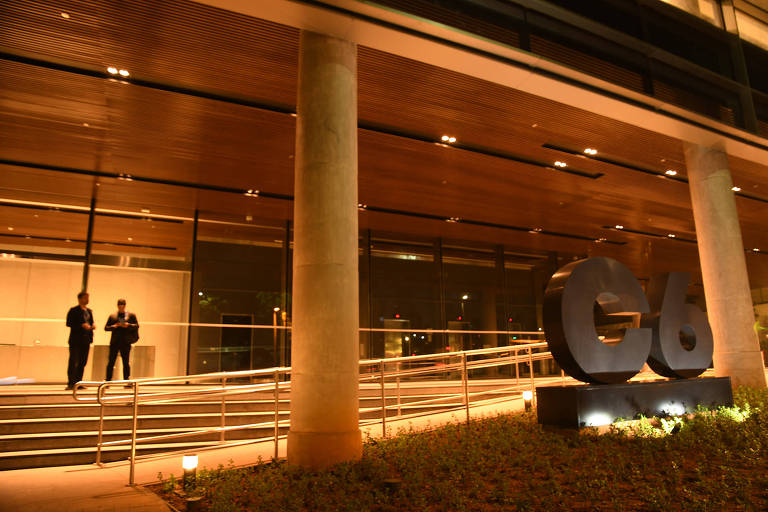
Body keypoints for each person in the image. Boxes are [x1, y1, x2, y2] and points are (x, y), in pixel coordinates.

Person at [104, 298, 139, 382]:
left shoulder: (131, 315)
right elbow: (106, 328)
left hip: (125, 342)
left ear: (125, 306)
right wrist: (115, 326)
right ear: (117, 306)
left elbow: (137, 326)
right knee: (111, 361)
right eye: (120, 305)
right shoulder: (113, 316)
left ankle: (126, 379)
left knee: (126, 362)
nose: (121, 307)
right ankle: (108, 379)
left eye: (122, 305)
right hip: (115, 342)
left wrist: (128, 325)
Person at [65, 291, 95, 390]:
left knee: (83, 362)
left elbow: (90, 322)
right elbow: (69, 323)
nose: (87, 299)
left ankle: (78, 382)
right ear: (80, 299)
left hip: (86, 340)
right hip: (75, 340)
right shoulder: (73, 310)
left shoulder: (89, 311)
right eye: (86, 297)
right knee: (73, 361)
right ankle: (71, 383)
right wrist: (81, 325)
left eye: (88, 297)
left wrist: (92, 326)